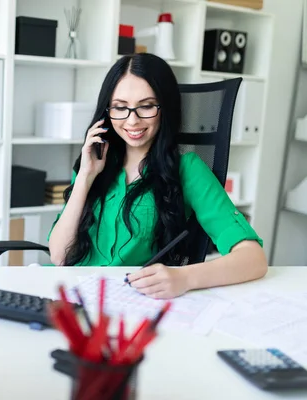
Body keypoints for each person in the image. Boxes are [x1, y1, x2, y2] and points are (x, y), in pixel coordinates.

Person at [47, 53, 267, 299]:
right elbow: (59, 256)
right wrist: (86, 176)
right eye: (120, 107)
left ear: (165, 107)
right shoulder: (95, 162)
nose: (132, 120)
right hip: (71, 293)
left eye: (147, 106)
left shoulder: (188, 169)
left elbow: (253, 259)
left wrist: (184, 278)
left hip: (127, 301)